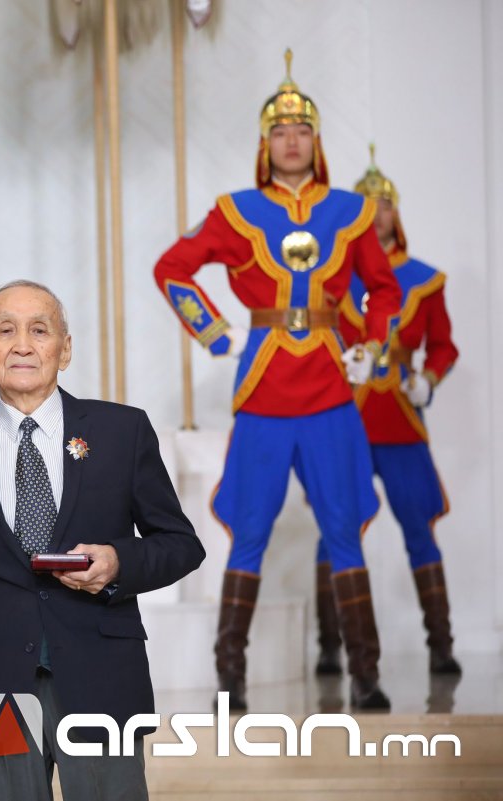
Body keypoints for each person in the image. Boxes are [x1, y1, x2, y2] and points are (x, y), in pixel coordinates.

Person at [152, 50, 402, 710]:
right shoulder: (234, 211)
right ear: (266, 145)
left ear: (317, 142)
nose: (292, 141)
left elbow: (384, 289)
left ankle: (366, 674)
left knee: (344, 527)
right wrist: (215, 332)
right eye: (281, 131)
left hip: (330, 390)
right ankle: (229, 677)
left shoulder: (351, 210)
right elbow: (171, 268)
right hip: (263, 392)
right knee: (250, 529)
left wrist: (372, 346)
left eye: (303, 131)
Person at [0, 280, 202, 801]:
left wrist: (118, 562)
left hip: (100, 675)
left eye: (39, 330)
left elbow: (181, 544)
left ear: (65, 349)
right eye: (6, 330)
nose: (22, 345)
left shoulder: (121, 431)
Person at [313, 146, 460, 675]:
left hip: (400, 420)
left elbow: (443, 347)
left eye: (386, 205)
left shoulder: (424, 278)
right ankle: (330, 646)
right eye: (367, 206)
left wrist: (428, 379)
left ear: (398, 213)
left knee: (419, 526)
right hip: (344, 418)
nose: (378, 214)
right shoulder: (330, 275)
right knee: (336, 529)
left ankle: (441, 645)